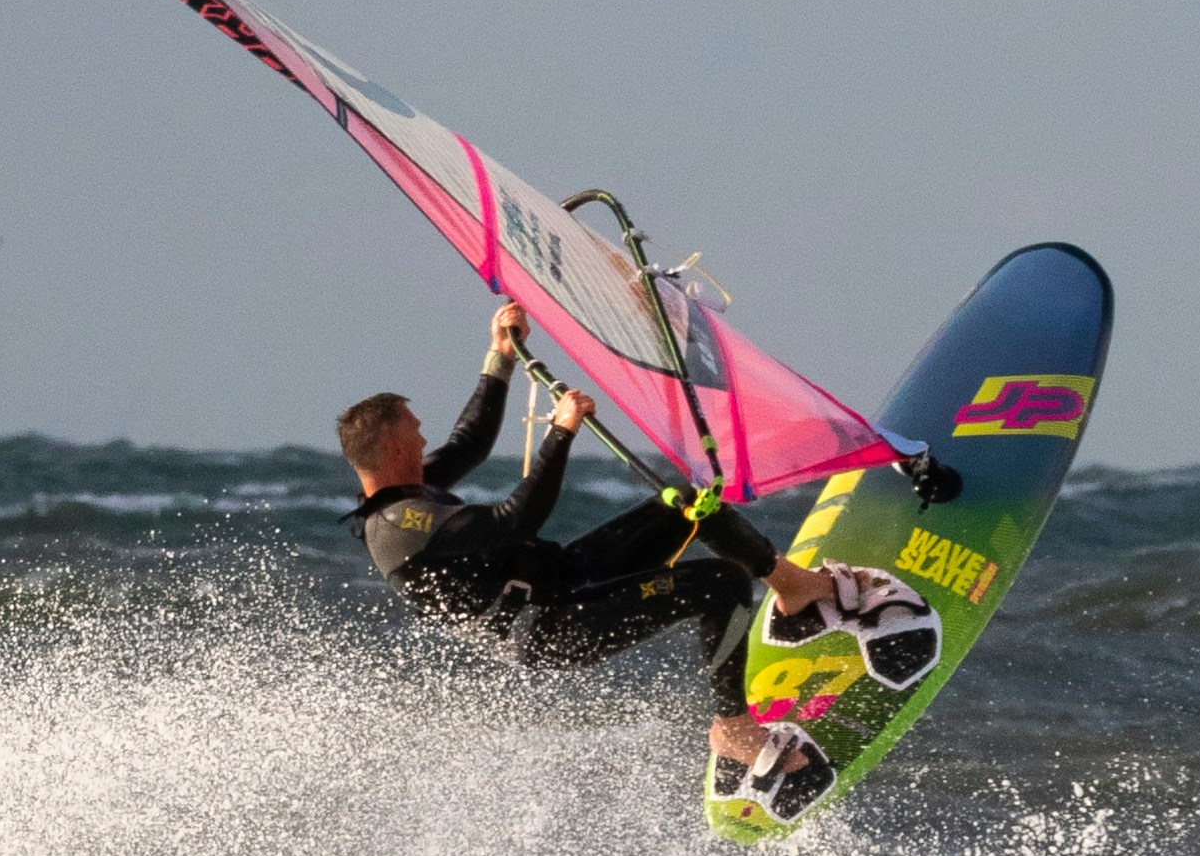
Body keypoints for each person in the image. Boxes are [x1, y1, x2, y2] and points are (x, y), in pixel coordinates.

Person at [337, 304, 902, 810]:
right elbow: (515, 521)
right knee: (717, 585)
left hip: (565, 576)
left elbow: (470, 443)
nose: (423, 438)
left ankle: (796, 587)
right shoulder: (397, 525)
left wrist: (501, 355)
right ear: (391, 448)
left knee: (686, 502)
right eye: (414, 433)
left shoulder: (406, 487)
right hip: (550, 629)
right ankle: (734, 729)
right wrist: (560, 435)